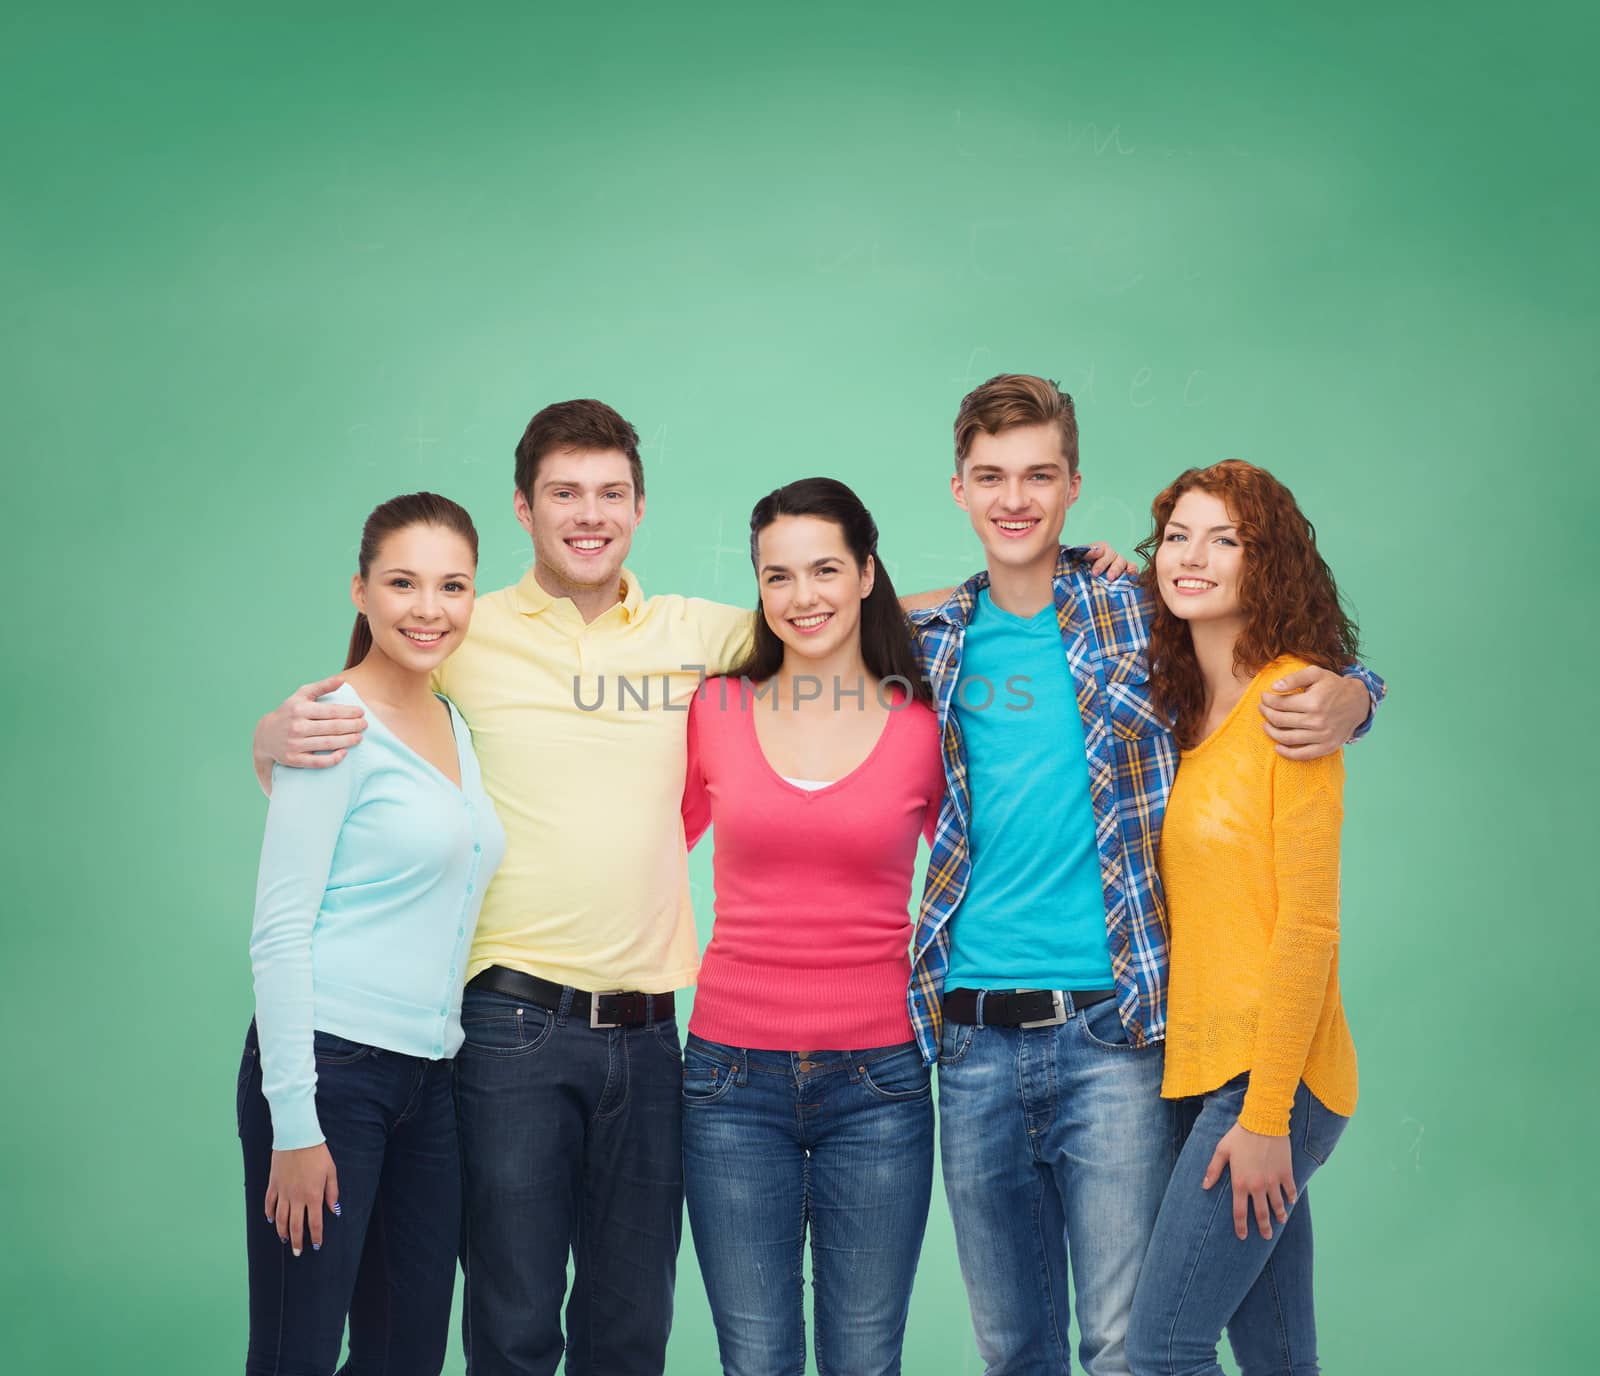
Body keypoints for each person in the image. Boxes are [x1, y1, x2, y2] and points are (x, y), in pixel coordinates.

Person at [250, 401, 1107, 1375]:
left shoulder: (695, 635)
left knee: (630, 1333)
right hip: (508, 1023)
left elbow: (833, 611)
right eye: (564, 493)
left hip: (655, 1034)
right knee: (516, 1318)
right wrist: (273, 735)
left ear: (640, 508)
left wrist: (1054, 569)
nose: (589, 514)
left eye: (610, 493)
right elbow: (374, 682)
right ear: (523, 509)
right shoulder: (464, 629)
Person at [903, 376, 1386, 1376]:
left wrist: (1355, 692)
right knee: (1022, 1351)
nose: (1015, 497)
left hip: (1120, 1032)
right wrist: (870, 590)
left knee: (1138, 1345)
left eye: (1039, 473)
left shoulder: (1133, 612)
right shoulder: (935, 639)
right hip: (977, 1035)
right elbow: (800, 614)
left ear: (1074, 483)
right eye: (990, 476)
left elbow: (1297, 661)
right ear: (957, 487)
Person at [679, 479, 944, 1375]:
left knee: (865, 1360)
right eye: (778, 577)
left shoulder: (924, 724)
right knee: (755, 1360)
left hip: (879, 1081)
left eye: (827, 569)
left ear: (869, 573)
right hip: (726, 1083)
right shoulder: (712, 711)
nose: (803, 598)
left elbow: (973, 875)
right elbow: (638, 843)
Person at [238, 491, 506, 1376]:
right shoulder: (333, 723)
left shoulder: (456, 722)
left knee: (405, 1356)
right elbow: (279, 932)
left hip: (431, 1084)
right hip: (331, 1074)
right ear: (360, 591)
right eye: (402, 583)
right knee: (298, 1353)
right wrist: (295, 1122)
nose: (428, 609)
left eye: (452, 586)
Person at [1124, 461, 1360, 1376]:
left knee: (1163, 1348)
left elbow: (1309, 929)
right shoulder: (1185, 707)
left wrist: (1266, 1116)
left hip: (1271, 1082)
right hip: (1196, 1070)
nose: (1193, 557)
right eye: (1179, 535)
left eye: (1225, 539)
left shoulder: (1296, 703)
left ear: (1269, 564)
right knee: (1276, 1357)